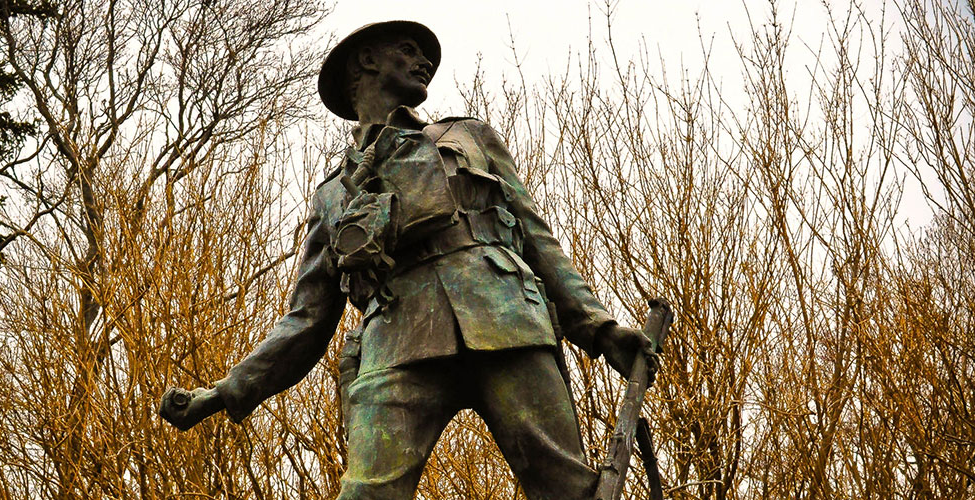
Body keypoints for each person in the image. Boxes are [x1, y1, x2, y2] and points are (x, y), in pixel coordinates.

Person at [159, 20, 653, 500]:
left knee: (565, 486)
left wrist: (598, 325)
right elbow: (307, 316)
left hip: (507, 322)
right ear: (368, 60)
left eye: (427, 56)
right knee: (366, 493)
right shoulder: (333, 196)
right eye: (409, 50)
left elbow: (537, 238)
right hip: (395, 342)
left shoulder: (468, 137)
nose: (425, 63)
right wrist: (227, 390)